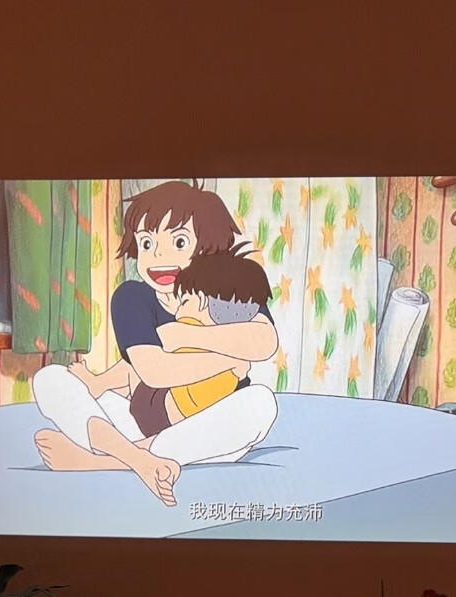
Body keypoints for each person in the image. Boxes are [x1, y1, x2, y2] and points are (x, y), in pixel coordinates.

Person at [32, 181, 278, 506]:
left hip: (206, 425)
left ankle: (101, 461)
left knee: (261, 403)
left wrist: (187, 335)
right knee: (49, 379)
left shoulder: (221, 289)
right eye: (146, 243)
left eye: (178, 241)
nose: (158, 255)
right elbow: (152, 371)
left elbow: (264, 340)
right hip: (144, 419)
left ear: (207, 246)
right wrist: (230, 359)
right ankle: (141, 460)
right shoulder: (133, 297)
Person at [69, 243, 272, 441]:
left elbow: (156, 360)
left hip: (156, 411)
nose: (178, 311)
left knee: (135, 366)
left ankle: (100, 384)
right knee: (141, 363)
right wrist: (232, 362)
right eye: (146, 244)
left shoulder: (183, 327)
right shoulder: (226, 342)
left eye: (184, 301)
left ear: (202, 301)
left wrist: (182, 335)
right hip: (179, 408)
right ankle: (104, 386)